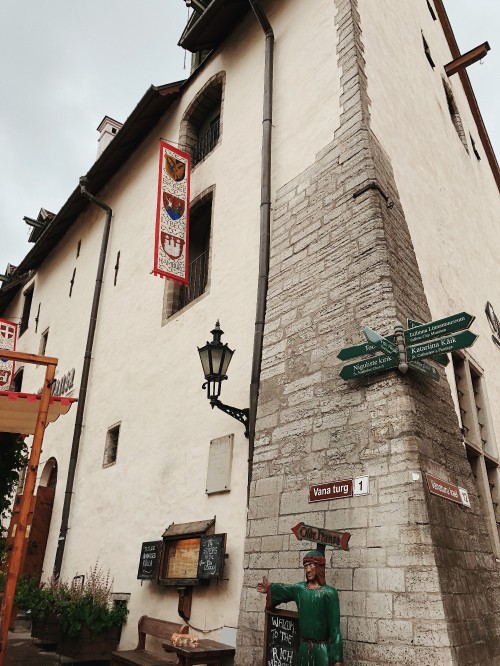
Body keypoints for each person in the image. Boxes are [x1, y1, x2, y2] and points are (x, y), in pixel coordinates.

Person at [257, 549, 343, 666]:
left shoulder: (329, 593)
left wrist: (337, 659)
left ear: (319, 567)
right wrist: (269, 589)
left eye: (311, 565)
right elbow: (284, 590)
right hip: (304, 649)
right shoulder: (300, 589)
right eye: (305, 566)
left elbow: (335, 630)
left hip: (322, 650)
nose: (307, 570)